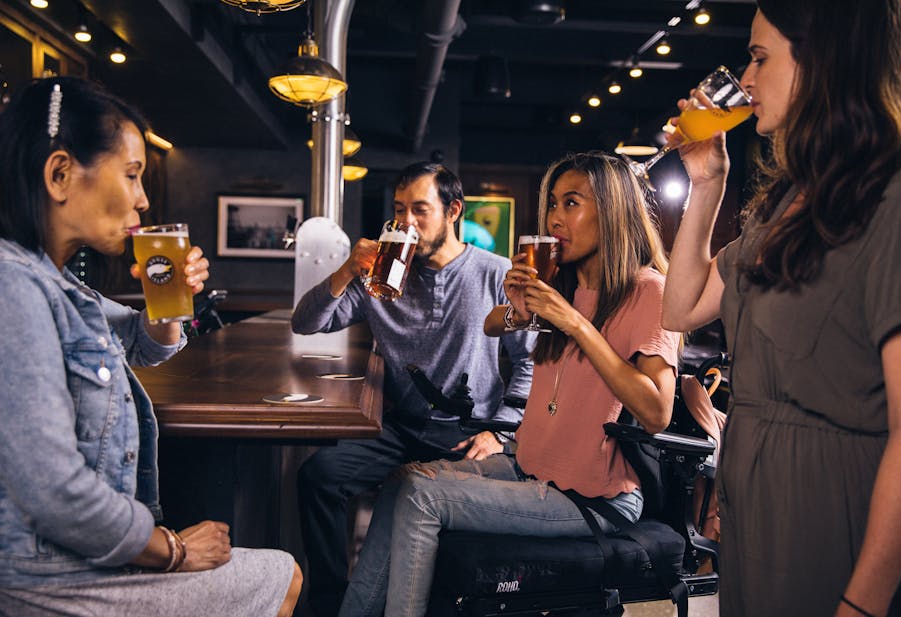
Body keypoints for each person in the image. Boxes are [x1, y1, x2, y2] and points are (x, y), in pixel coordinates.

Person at [661, 1, 901, 615]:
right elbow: (680, 311)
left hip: (836, 522)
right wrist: (705, 185)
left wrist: (861, 605)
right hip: (759, 520)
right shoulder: (784, 207)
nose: (745, 80)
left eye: (759, 57)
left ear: (824, 57)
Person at [0, 77, 302, 617]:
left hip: (76, 558)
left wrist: (172, 300)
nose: (143, 198)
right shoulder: (14, 288)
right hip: (44, 578)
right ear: (60, 174)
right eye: (133, 175)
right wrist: (172, 549)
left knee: (276, 571)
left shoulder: (60, 285)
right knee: (283, 576)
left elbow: (143, 342)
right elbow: (54, 492)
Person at [338, 151, 681, 616]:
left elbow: (657, 412)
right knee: (401, 482)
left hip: (594, 497)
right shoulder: (563, 284)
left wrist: (577, 324)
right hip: (532, 465)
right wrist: (520, 309)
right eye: (553, 205)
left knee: (423, 496)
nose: (555, 219)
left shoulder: (649, 290)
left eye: (571, 204)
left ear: (613, 210)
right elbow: (492, 324)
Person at [290, 161, 535, 616]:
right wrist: (347, 269)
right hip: (399, 428)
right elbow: (306, 323)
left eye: (420, 210)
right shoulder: (380, 273)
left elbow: (530, 363)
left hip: (466, 432)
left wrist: (499, 433)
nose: (407, 223)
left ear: (453, 211)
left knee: (419, 510)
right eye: (400, 210)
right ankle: (329, 602)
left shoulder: (495, 275)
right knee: (318, 476)